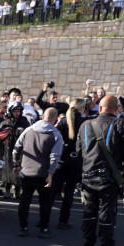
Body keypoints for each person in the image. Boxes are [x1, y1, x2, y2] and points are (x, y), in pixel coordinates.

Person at [76, 95, 124, 246]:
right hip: (108, 178)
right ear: (117, 109)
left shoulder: (85, 124)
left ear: (100, 108)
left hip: (87, 175)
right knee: (107, 213)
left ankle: (87, 245)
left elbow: (79, 150)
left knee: (89, 211)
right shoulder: (122, 124)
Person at [12, 108, 63, 238]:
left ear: (43, 115)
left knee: (25, 201)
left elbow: (16, 148)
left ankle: (23, 227)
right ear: (56, 118)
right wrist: (51, 174)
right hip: (43, 174)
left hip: (27, 172)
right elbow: (55, 156)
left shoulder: (29, 130)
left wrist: (16, 164)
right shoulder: (56, 134)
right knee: (45, 203)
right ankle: (44, 229)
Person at [53, 98, 88, 230]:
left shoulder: (62, 122)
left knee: (54, 191)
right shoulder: (85, 122)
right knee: (69, 193)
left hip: (62, 160)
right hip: (76, 161)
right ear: (82, 108)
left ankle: (43, 220)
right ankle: (63, 221)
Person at [0, 101, 31, 199]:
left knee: (19, 169)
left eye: (19, 111)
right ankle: (7, 190)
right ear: (10, 111)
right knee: (8, 169)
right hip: (7, 150)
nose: (17, 113)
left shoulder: (24, 121)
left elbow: (29, 133)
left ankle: (17, 190)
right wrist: (5, 133)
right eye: (15, 111)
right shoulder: (5, 123)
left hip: (20, 150)